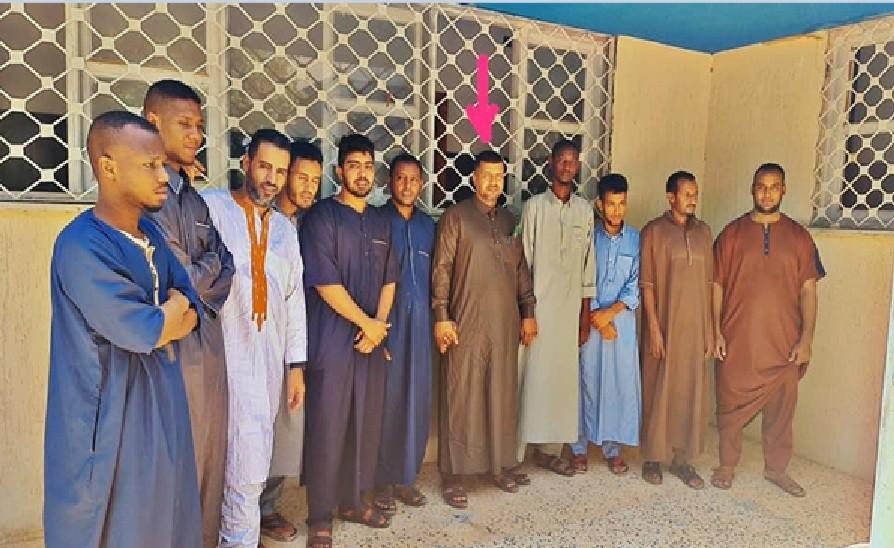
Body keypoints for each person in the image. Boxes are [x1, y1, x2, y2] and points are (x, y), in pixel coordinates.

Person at [44, 110, 202, 548]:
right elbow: (142, 330)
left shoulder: (151, 234)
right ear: (108, 166)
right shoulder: (81, 245)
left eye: (162, 165)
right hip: (110, 416)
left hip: (163, 403)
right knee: (118, 525)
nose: (163, 177)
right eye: (149, 165)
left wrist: (174, 312)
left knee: (167, 518)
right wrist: (171, 312)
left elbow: (193, 306)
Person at [203, 129, 308, 548]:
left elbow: (295, 298)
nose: (272, 179)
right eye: (265, 167)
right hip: (218, 358)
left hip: (265, 364)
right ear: (246, 163)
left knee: (251, 461)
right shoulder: (212, 208)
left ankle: (239, 539)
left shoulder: (284, 230)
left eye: (280, 172)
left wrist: (296, 366)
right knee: (217, 462)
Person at [142, 79, 234, 547]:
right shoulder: (148, 197)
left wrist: (202, 278)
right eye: (185, 124)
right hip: (173, 356)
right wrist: (205, 273)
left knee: (211, 464)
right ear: (152, 122)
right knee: (179, 468)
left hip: (208, 346)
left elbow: (227, 265)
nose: (196, 135)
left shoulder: (193, 198)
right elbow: (177, 277)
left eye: (199, 126)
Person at [300, 134, 399, 548]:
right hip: (332, 340)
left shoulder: (380, 221)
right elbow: (325, 282)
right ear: (339, 171)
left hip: (370, 341)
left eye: (368, 166)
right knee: (328, 424)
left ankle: (354, 502)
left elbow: (390, 279)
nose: (362, 173)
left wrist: (378, 325)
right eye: (354, 165)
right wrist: (367, 324)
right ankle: (320, 515)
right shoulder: (321, 218)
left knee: (365, 424)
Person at [432, 150, 537, 508]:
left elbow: (521, 271)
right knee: (462, 396)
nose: (493, 182)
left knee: (500, 395)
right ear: (474, 177)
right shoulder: (456, 217)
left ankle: (498, 466)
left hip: (504, 324)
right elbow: (442, 269)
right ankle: (454, 475)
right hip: (466, 322)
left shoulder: (509, 221)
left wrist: (528, 311)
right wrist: (441, 315)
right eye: (487, 175)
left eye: (499, 176)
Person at [712, 163, 822, 497]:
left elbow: (809, 291)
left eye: (774, 187)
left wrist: (806, 340)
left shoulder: (800, 237)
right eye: (761, 186)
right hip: (738, 342)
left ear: (784, 190)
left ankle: (776, 469)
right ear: (752, 189)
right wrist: (715, 330)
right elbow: (716, 286)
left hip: (784, 344)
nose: (767, 193)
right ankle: (726, 465)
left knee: (782, 411)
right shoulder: (731, 234)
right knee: (729, 407)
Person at [516, 139, 595, 477]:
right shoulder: (534, 207)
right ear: (550, 163)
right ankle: (515, 454)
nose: (566, 166)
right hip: (537, 312)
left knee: (561, 383)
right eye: (561, 160)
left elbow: (588, 268)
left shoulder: (585, 211)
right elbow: (523, 263)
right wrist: (527, 312)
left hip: (568, 315)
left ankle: (549, 453)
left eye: (572, 161)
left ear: (578, 166)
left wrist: (584, 318)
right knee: (529, 379)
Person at [258, 139, 323, 544]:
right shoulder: (262, 218)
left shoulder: (310, 223)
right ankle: (244, 511)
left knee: (287, 424)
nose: (308, 187)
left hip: (299, 341)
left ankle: (267, 507)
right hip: (258, 338)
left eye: (315, 180)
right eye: (301, 177)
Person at [638, 171, 714, 488]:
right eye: (687, 194)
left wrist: (710, 330)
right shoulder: (654, 232)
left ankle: (682, 460)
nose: (693, 199)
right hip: (664, 326)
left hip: (695, 329)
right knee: (658, 389)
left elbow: (710, 284)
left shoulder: (704, 233)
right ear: (671, 197)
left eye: (695, 194)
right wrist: (654, 329)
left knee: (689, 390)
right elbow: (647, 285)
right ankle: (652, 459)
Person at [372, 153, 436, 515]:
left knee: (416, 402)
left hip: (422, 328)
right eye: (400, 178)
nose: (407, 186)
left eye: (413, 179)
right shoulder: (377, 221)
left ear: (421, 184)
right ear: (389, 182)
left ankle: (406, 478)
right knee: (387, 403)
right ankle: (381, 482)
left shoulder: (429, 226)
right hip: (388, 325)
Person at [570, 173, 641, 475]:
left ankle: (613, 449)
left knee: (619, 385)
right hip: (591, 319)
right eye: (610, 204)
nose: (616, 210)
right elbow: (581, 278)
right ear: (599, 204)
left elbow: (636, 283)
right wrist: (598, 317)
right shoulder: (589, 237)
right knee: (587, 382)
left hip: (621, 324)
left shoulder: (636, 239)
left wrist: (611, 313)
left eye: (621, 203)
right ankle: (579, 449)